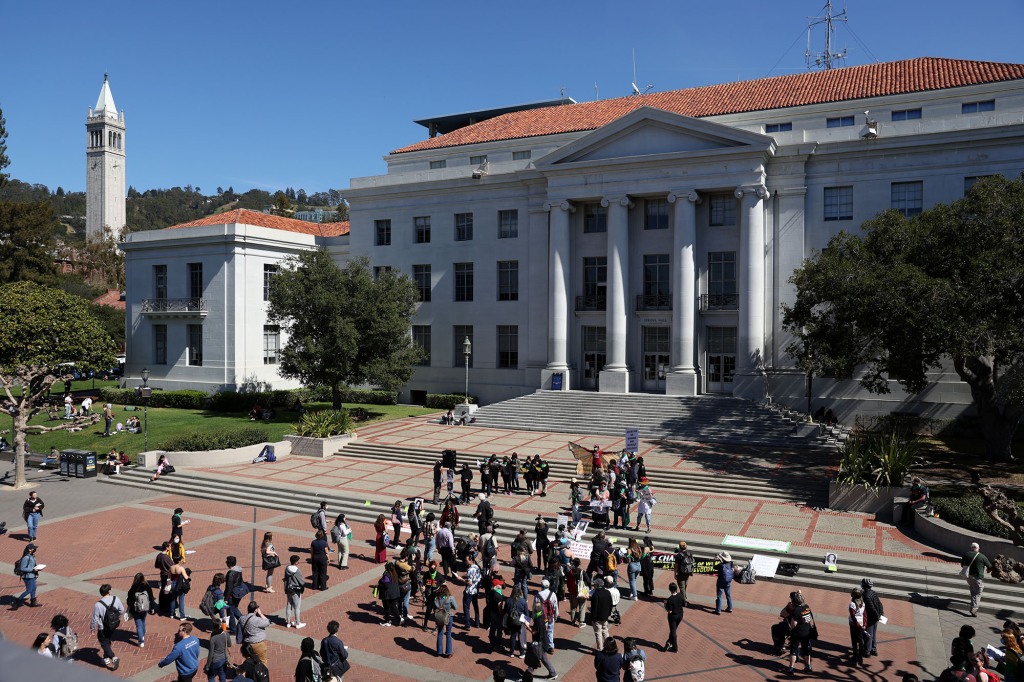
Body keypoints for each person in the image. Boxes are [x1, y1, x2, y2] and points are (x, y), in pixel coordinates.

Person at [91, 584, 124, 671]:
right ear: (109, 591)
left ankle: (113, 657)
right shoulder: (116, 599)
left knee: (104, 642)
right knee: (107, 640)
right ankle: (106, 658)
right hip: (113, 625)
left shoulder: (98, 604)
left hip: (103, 627)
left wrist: (92, 628)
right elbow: (122, 610)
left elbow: (95, 618)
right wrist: (117, 616)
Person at [961, 542, 993, 617]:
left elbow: (962, 565)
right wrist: (987, 570)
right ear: (978, 549)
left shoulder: (966, 554)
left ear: (971, 548)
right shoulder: (982, 556)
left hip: (968, 576)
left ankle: (973, 605)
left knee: (973, 590)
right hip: (977, 577)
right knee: (978, 592)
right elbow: (990, 566)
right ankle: (974, 609)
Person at [788, 594, 816, 674]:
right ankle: (808, 666)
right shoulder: (807, 607)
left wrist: (790, 630)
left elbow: (794, 624)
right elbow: (810, 619)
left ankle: (791, 668)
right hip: (806, 632)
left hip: (797, 633)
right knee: (806, 650)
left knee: (793, 650)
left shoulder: (796, 610)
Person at [127, 571, 155, 648]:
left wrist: (130, 606)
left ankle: (141, 641)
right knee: (143, 620)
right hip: (145, 608)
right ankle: (142, 634)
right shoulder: (147, 586)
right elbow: (151, 598)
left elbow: (129, 600)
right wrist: (152, 607)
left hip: (136, 609)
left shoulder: (133, 588)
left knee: (138, 624)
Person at [239, 600, 271, 666]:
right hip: (258, 644)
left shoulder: (242, 618)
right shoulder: (257, 620)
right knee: (263, 662)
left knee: (250, 662)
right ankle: (261, 675)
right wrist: (260, 614)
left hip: (247, 644)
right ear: (255, 610)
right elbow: (267, 622)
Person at [772, 591, 804, 655]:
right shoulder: (804, 607)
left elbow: (782, 613)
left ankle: (780, 646)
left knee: (775, 628)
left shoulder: (791, 607)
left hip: (792, 629)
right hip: (804, 628)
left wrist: (788, 605)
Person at [590, 575, 614, 651]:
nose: (594, 586)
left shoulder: (596, 594)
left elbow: (594, 608)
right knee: (605, 631)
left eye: (595, 585)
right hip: (605, 616)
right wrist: (608, 614)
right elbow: (611, 604)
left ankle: (600, 649)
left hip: (597, 618)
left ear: (597, 585)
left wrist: (593, 618)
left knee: (598, 633)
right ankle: (609, 646)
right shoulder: (608, 592)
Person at [861, 578, 885, 656]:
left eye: (862, 583)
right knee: (873, 633)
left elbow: (871, 608)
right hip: (876, 617)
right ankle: (873, 649)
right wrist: (880, 614)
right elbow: (880, 604)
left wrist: (877, 616)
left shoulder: (866, 595)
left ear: (865, 585)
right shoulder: (873, 592)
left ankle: (867, 651)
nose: (861, 584)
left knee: (868, 634)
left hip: (871, 618)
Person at [14, 543, 41, 608]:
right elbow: (23, 568)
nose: (34, 549)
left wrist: (38, 568)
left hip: (32, 575)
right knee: (29, 590)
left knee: (34, 588)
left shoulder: (32, 556)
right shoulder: (26, 558)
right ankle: (18, 600)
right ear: (29, 549)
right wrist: (33, 569)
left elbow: (33, 564)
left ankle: (33, 602)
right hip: (27, 576)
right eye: (33, 548)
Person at [433, 584, 457, 657]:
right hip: (449, 616)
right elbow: (455, 607)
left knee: (440, 632)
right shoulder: (450, 598)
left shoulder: (436, 598)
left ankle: (439, 651)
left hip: (440, 616)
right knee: (448, 633)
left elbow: (434, 608)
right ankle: (449, 652)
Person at [565, 557, 589, 628]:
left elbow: (568, 582)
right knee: (582, 606)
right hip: (581, 592)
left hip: (572, 592)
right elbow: (588, 581)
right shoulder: (582, 572)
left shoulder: (570, 572)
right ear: (579, 564)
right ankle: (581, 622)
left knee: (573, 607)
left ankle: (573, 620)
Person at [206, 615, 231, 682]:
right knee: (222, 673)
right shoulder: (226, 634)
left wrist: (208, 665)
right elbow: (229, 644)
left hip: (215, 660)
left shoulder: (213, 638)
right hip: (223, 658)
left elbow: (211, 653)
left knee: (211, 676)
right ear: (220, 625)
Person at [506, 585, 529, 658]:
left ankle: (511, 652)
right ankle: (522, 653)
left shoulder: (509, 600)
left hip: (512, 620)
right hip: (520, 621)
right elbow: (526, 612)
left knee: (513, 636)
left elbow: (506, 610)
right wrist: (526, 622)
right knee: (521, 636)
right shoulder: (523, 601)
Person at [284, 555, 307, 628]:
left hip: (288, 589)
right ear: (296, 562)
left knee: (289, 605)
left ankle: (288, 622)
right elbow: (301, 581)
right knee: (297, 607)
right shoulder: (297, 570)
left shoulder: (287, 568)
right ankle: (297, 623)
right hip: (295, 590)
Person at [849, 587, 868, 666]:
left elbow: (853, 616)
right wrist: (864, 625)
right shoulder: (862, 603)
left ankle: (855, 659)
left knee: (854, 641)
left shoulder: (852, 604)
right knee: (860, 641)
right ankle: (860, 658)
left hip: (854, 625)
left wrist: (858, 625)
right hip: (861, 624)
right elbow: (865, 614)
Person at [155, 541, 175, 616]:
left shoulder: (159, 556)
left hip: (162, 574)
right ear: (167, 548)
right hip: (167, 576)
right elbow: (172, 566)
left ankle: (161, 606)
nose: (170, 548)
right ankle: (166, 607)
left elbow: (156, 565)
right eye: (169, 546)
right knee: (167, 591)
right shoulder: (166, 557)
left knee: (163, 589)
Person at [665, 581, 684, 652]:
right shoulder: (680, 595)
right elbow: (684, 604)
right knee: (674, 629)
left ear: (670, 590)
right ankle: (669, 641)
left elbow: (669, 611)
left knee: (673, 631)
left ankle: (675, 647)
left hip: (673, 616)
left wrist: (665, 605)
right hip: (680, 615)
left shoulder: (670, 599)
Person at [463, 552, 481, 628]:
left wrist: (461, 579)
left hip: (469, 591)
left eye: (466, 560)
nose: (465, 561)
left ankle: (467, 624)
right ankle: (477, 622)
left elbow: (469, 582)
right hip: (475, 590)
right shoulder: (477, 567)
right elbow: (479, 578)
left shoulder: (470, 569)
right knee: (476, 606)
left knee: (466, 607)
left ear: (470, 560)